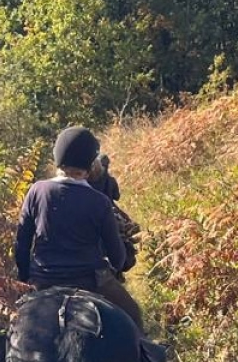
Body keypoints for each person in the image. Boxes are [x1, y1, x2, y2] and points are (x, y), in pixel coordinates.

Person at [14, 126, 145, 332]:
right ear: (90, 165)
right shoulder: (100, 202)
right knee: (133, 315)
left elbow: (21, 245)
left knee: (4, 331)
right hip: (91, 281)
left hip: (42, 281)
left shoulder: (36, 191)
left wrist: (25, 278)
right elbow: (118, 258)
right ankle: (148, 357)